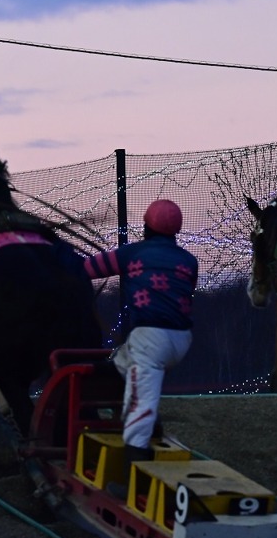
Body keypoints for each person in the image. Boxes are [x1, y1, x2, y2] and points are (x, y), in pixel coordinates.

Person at [83, 198, 199, 492]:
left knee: (139, 405)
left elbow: (88, 269)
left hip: (150, 339)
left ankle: (130, 482)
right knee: (122, 364)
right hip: (182, 340)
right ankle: (151, 427)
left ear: (146, 227)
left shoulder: (131, 254)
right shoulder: (189, 261)